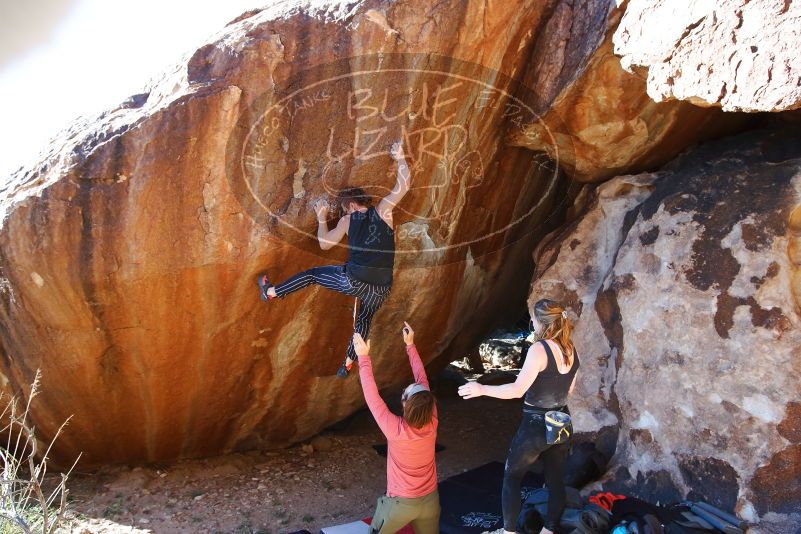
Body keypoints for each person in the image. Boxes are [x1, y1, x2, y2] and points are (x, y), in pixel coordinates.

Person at [256, 141, 411, 378]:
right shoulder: (383, 211)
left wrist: (321, 217)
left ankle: (271, 293)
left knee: (312, 275)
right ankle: (348, 361)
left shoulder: (347, 221)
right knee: (364, 320)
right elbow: (404, 185)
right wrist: (400, 157)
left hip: (355, 279)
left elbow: (325, 244)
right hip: (381, 287)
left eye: (344, 209)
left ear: (350, 205)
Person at [458, 299, 580, 534]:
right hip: (562, 422)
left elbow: (516, 390)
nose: (532, 323)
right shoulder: (570, 348)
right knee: (555, 482)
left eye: (533, 319)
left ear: (542, 323)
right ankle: (549, 530)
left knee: (512, 477)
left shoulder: (539, 349)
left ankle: (508, 532)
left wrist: (482, 389)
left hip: (536, 425)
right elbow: (570, 389)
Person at [353, 323, 440, 534]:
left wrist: (363, 357)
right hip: (430, 502)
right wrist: (410, 345)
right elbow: (422, 381)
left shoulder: (395, 429)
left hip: (400, 505)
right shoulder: (432, 420)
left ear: (404, 403)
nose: (414, 384)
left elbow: (371, 396)